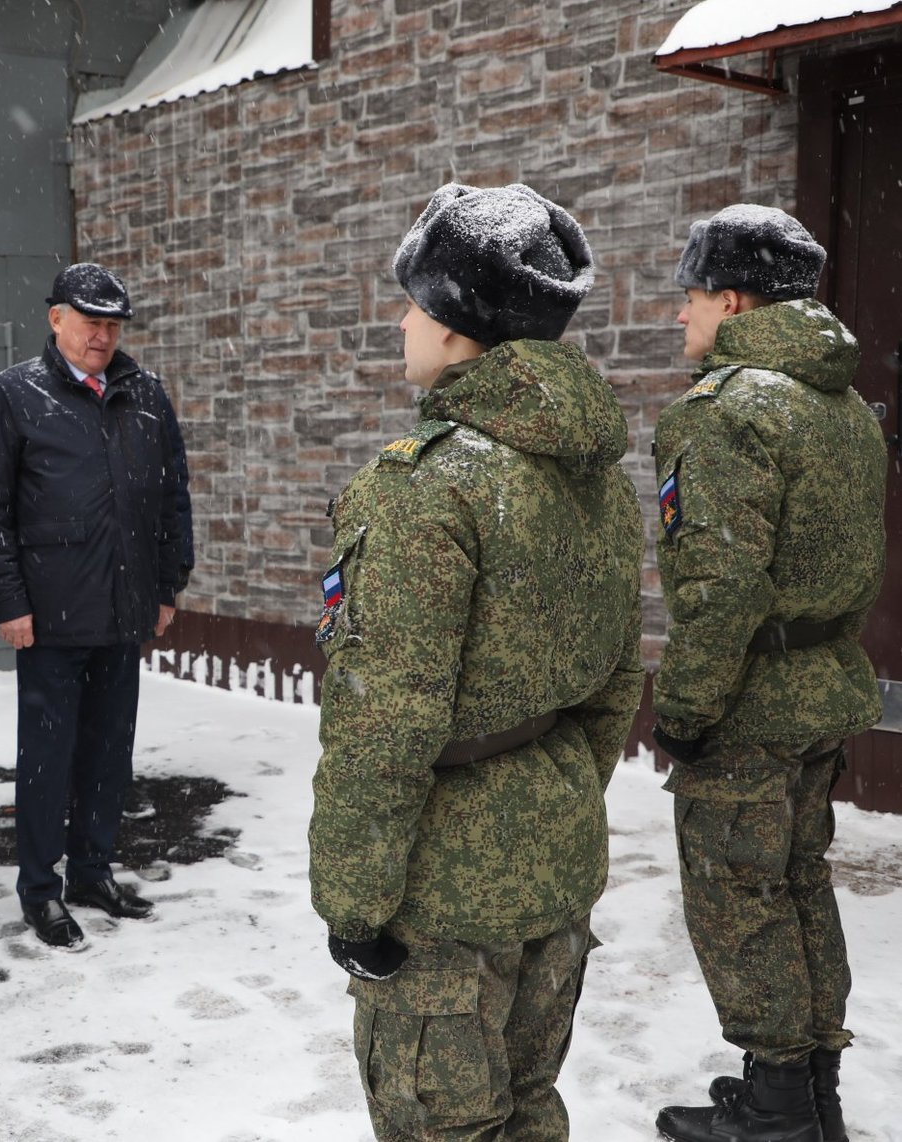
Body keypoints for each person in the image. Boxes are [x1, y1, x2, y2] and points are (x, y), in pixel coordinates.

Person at [307, 183, 643, 1141]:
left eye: (414, 304)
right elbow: (618, 677)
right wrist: (565, 784)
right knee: (530, 1107)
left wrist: (355, 903)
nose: (403, 324)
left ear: (459, 331)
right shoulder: (594, 474)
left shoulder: (426, 484)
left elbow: (382, 718)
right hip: (556, 850)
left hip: (444, 892)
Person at [651, 206, 882, 1142]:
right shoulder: (841, 406)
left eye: (693, 297)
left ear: (735, 301)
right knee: (797, 884)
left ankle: (781, 1111)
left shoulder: (724, 412)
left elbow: (717, 590)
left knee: (740, 903)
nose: (681, 317)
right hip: (823, 687)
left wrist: (683, 713)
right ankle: (812, 1092)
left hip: (750, 702)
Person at [0, 263, 189, 949]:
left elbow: (173, 495)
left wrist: (168, 585)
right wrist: (10, 601)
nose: (103, 336)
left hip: (125, 610)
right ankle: (41, 889)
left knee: (108, 754)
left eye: (113, 325)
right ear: (56, 318)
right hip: (51, 617)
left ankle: (93, 870)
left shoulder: (143, 393)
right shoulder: (12, 396)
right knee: (47, 759)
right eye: (91, 322)